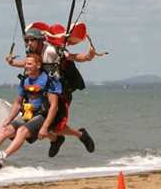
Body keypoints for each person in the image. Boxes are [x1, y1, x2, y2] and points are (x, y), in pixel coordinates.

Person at [6, 27, 97, 157]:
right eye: (27, 40)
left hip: (58, 93)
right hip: (41, 94)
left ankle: (80, 135)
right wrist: (12, 63)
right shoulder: (31, 52)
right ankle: (56, 139)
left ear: (40, 41)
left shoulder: (50, 50)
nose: (29, 43)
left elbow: (71, 57)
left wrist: (88, 56)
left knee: (57, 126)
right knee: (36, 123)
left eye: (32, 40)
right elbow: (30, 64)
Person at [0, 53, 61, 168]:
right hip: (28, 115)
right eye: (25, 64)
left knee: (22, 131)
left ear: (38, 65)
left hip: (42, 116)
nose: (26, 66)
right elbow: (18, 103)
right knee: (6, 130)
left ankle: (2, 156)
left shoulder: (48, 80)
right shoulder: (25, 81)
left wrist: (45, 126)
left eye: (29, 64)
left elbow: (54, 106)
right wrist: (8, 119)